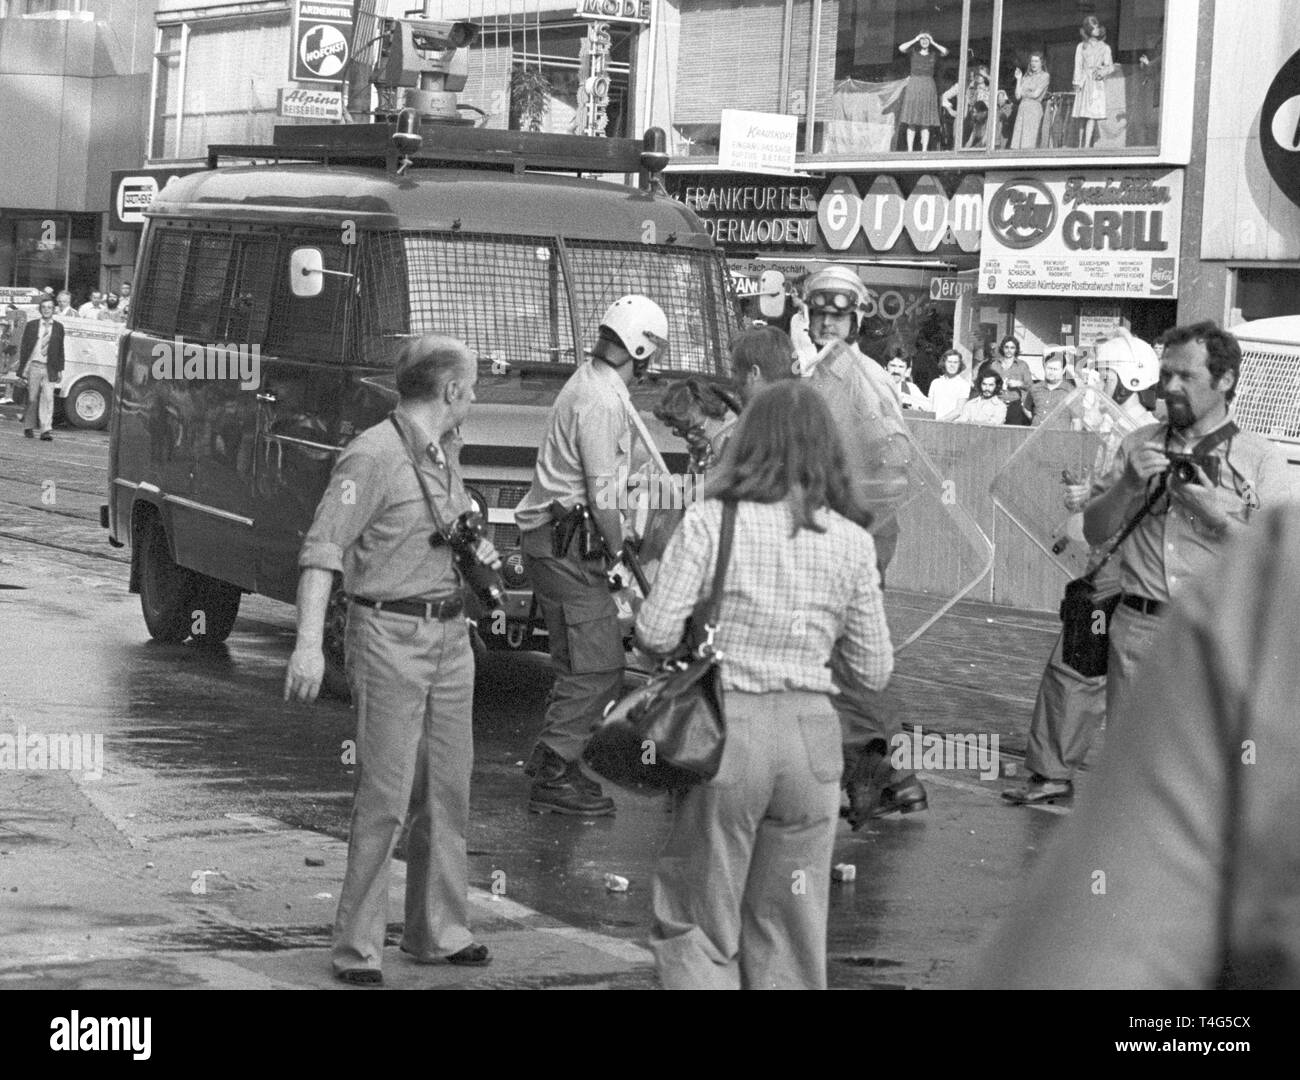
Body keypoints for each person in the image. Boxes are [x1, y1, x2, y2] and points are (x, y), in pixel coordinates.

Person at [972, 504, 1300, 989]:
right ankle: (1052, 773)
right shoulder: (1140, 453)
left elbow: (1081, 964)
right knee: (1103, 727)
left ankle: (1055, 774)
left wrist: (1214, 515)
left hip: (1195, 621)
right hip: (1134, 614)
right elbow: (1096, 528)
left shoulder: (1275, 567)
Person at [637, 380, 894, 990]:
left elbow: (652, 631)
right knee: (791, 926)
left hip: (729, 732)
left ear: (748, 441)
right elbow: (876, 669)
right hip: (812, 743)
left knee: (699, 919)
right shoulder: (853, 542)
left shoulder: (709, 521)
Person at [284, 334, 497, 985]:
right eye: (474, 385)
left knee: (448, 789)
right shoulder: (371, 455)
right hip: (387, 635)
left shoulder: (443, 452)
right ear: (451, 392)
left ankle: (438, 930)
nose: (478, 395)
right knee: (384, 796)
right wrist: (307, 646)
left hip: (448, 636)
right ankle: (358, 946)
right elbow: (323, 548)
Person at [1082, 321, 1294, 726]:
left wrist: (1217, 517)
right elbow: (1094, 531)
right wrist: (1127, 485)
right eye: (1165, 375)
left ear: (1225, 379)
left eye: (1187, 376)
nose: (1171, 387)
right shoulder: (1136, 444)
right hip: (1138, 633)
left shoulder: (1262, 459)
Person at [513, 295, 668, 817]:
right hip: (567, 547)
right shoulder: (600, 399)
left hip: (561, 546)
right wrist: (623, 551)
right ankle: (554, 769)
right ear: (639, 347)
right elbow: (603, 495)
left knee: (581, 663)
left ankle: (556, 763)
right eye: (652, 352)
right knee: (596, 665)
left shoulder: (597, 384)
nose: (653, 365)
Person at [1003, 331, 1159, 806]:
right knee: (1085, 670)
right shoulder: (1121, 433)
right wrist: (1088, 495)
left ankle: (1055, 772)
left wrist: (1091, 497)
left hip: (1118, 572)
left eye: (1103, 371)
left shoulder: (1139, 438)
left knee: (1075, 669)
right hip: (1112, 566)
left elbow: (1137, 506)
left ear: (1128, 377)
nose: (1094, 378)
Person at [800, 265, 928, 821]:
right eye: (820, 311)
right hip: (836, 531)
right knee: (838, 658)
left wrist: (850, 521)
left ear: (856, 320)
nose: (828, 321)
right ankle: (888, 776)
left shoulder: (859, 376)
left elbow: (896, 458)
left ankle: (889, 773)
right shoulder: (822, 373)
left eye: (838, 313)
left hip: (858, 534)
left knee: (853, 658)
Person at [17, 298, 66, 442]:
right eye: (44, 307)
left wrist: (60, 369)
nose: (46, 310)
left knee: (48, 398)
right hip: (34, 366)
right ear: (40, 309)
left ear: (53, 310)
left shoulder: (58, 327)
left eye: (49, 307)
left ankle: (46, 430)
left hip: (50, 367)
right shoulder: (32, 325)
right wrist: (22, 369)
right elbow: (25, 347)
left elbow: (60, 349)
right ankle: (28, 426)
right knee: (32, 398)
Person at [897, 32, 948, 152]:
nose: (924, 41)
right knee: (911, 120)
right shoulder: (913, 53)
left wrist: (933, 41)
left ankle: (924, 150)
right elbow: (901, 48)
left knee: (926, 121)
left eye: (926, 39)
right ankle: (910, 150)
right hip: (914, 86)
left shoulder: (934, 54)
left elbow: (945, 52)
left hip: (928, 86)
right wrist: (915, 39)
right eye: (922, 39)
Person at [1072, 15, 1114, 149]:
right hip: (1084, 81)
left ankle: (1086, 145)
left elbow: (1110, 66)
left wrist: (1103, 71)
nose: (1096, 30)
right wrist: (1076, 83)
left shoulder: (1105, 47)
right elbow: (1077, 65)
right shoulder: (1081, 47)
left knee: (1091, 115)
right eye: (1092, 28)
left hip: (1096, 83)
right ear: (1087, 30)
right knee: (1082, 114)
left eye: (1097, 27)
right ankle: (1079, 144)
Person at [978, 336, 1035, 424]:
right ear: (1002, 348)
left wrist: (1019, 383)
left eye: (1012, 348)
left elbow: (1031, 387)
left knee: (1013, 433)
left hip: (1014, 405)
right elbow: (988, 382)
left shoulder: (1022, 365)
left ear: (1016, 350)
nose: (1009, 350)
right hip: (996, 403)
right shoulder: (995, 365)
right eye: (1006, 347)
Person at [1010, 51, 1049, 149]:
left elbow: (1036, 94)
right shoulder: (1026, 76)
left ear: (1041, 63)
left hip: (1033, 109)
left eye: (1036, 61)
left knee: (1030, 141)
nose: (1033, 64)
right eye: (1032, 61)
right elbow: (1017, 96)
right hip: (1022, 109)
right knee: (1019, 142)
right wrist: (1018, 79)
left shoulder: (1045, 76)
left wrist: (1024, 93)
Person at [1027, 353, 1075, 425]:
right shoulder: (1035, 388)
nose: (1051, 372)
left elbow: (1076, 421)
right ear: (1044, 367)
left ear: (1063, 370)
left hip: (1059, 435)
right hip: (1036, 434)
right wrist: (1035, 420)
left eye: (1055, 369)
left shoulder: (1071, 392)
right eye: (1049, 368)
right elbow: (1026, 408)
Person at [927, 348, 972, 421]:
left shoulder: (964, 385)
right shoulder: (935, 383)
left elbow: (958, 411)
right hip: (933, 424)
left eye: (955, 362)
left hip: (951, 426)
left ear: (959, 364)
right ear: (944, 363)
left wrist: (940, 421)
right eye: (949, 362)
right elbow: (929, 405)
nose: (952, 365)